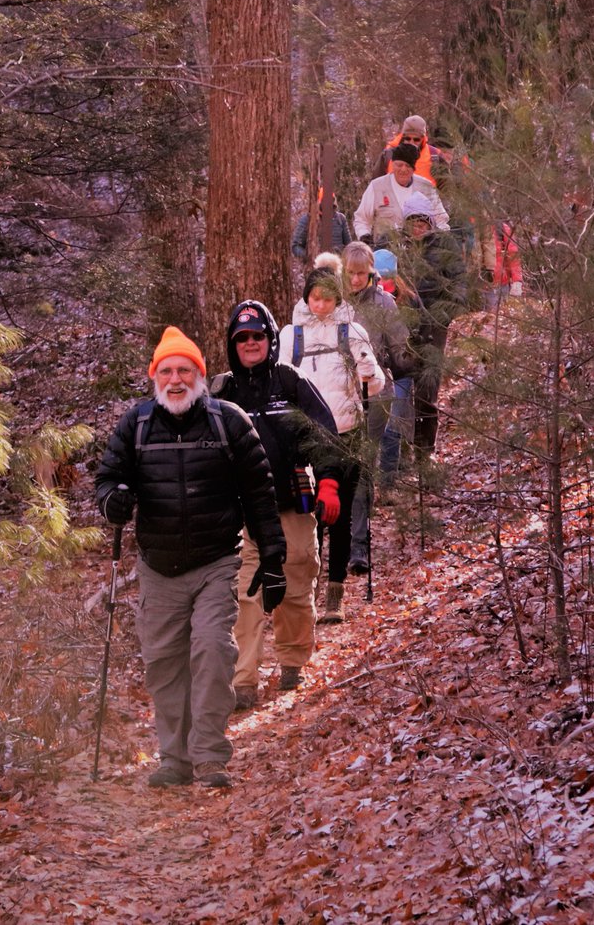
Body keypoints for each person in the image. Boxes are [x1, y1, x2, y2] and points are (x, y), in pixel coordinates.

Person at [95, 326, 287, 789]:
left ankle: (209, 758)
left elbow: (260, 493)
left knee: (212, 651)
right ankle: (174, 759)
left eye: (184, 370)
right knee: (164, 662)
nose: (175, 379)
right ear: (155, 377)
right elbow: (106, 480)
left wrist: (274, 559)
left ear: (199, 376)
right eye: (167, 371)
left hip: (216, 560)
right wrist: (114, 501)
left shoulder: (229, 421)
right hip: (158, 566)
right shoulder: (136, 425)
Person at [210, 301, 343, 710]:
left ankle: (292, 659)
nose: (250, 343)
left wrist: (330, 484)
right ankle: (243, 680)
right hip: (242, 513)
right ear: (233, 344)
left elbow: (325, 435)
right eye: (242, 338)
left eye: (257, 336)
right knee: (244, 595)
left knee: (295, 587)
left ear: (270, 338)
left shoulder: (291, 382)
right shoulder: (222, 391)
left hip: (291, 504)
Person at [278, 253, 385, 624]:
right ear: (306, 298)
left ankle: (334, 595)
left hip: (347, 434)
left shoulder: (351, 332)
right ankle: (307, 589)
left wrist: (370, 373)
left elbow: (377, 383)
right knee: (308, 516)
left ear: (338, 298)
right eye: (314, 297)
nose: (320, 304)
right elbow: (281, 384)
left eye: (327, 297)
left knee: (338, 517)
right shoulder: (290, 336)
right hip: (306, 438)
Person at [397, 193, 468, 464]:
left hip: (434, 323)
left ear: (430, 222)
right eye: (412, 223)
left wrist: (449, 310)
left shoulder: (444, 245)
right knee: (402, 389)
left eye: (422, 222)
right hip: (403, 325)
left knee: (428, 388)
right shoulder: (397, 248)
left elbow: (459, 278)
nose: (417, 228)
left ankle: (424, 454)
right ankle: (401, 452)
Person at [342, 241, 415, 486]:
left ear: (370, 272)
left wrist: (409, 362)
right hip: (339, 388)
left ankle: (371, 497)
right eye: (350, 272)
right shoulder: (334, 302)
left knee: (369, 452)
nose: (355, 279)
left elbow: (398, 346)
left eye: (361, 273)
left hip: (375, 388)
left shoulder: (384, 302)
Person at [354, 140, 449, 249]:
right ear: (392, 165)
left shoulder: (426, 187)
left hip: (421, 255)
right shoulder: (376, 186)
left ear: (414, 168)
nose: (403, 169)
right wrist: (365, 237)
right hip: (386, 253)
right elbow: (361, 219)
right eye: (399, 165)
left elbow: (441, 220)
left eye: (408, 166)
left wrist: (439, 241)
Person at [370, 114, 451, 184]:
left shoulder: (435, 156)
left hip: (427, 201)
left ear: (423, 138)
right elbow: (376, 186)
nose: (411, 143)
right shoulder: (388, 155)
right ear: (402, 136)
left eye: (416, 140)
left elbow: (447, 191)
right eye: (408, 139)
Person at [292, 189, 353, 261]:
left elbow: (349, 246)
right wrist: (310, 258)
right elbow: (296, 246)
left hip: (338, 265)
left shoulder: (340, 219)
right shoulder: (307, 220)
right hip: (315, 266)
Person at [480, 220, 524, 309]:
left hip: (499, 284)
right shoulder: (467, 226)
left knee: (497, 318)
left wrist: (517, 280)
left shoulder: (500, 228)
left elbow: (513, 255)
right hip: (475, 284)